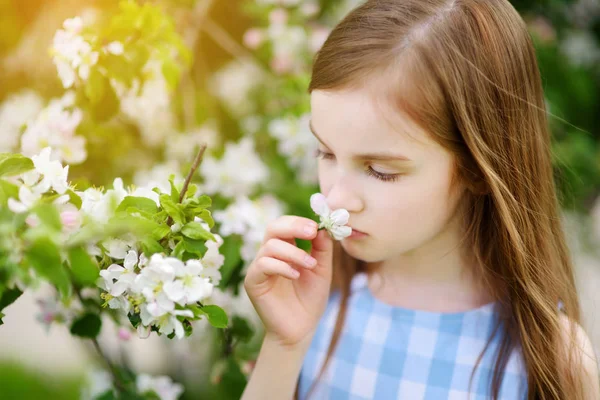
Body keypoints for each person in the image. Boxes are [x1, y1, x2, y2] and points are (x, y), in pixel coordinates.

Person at [241, 0, 600, 399]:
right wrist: (284, 345)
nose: (336, 198)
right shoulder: (317, 304)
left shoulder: (551, 359)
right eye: (325, 152)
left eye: (381, 170)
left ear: (478, 167)